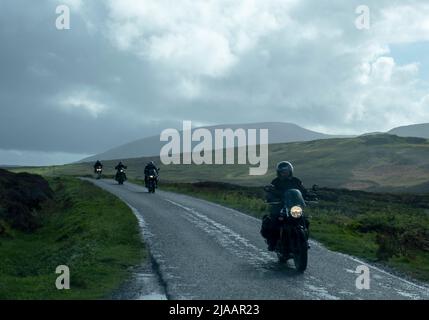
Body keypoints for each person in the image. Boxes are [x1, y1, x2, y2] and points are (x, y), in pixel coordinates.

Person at [261, 161, 309, 251]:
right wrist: (270, 197)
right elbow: (271, 191)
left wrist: (308, 195)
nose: (284, 173)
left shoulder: (296, 181)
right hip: (280, 206)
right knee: (274, 221)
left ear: (290, 171)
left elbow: (303, 191)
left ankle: (304, 241)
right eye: (282, 172)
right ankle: (272, 243)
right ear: (279, 173)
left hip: (294, 206)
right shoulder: (276, 181)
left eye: (286, 171)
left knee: (305, 221)